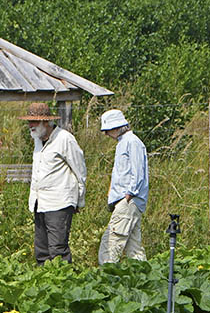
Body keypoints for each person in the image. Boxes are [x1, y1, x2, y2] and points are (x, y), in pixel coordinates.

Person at [21, 102, 87, 264]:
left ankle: (63, 283)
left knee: (58, 249)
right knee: (41, 249)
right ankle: (44, 284)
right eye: (29, 121)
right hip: (40, 202)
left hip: (60, 201)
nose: (30, 125)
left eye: (34, 122)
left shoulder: (65, 139)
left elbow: (80, 170)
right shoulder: (38, 140)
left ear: (46, 122)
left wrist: (79, 200)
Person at [98, 109, 149, 264]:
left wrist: (129, 194)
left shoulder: (131, 142)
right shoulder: (124, 142)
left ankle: (106, 276)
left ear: (117, 127)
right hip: (129, 200)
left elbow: (137, 170)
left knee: (111, 242)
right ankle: (144, 278)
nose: (106, 134)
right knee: (134, 248)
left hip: (128, 200)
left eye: (108, 130)